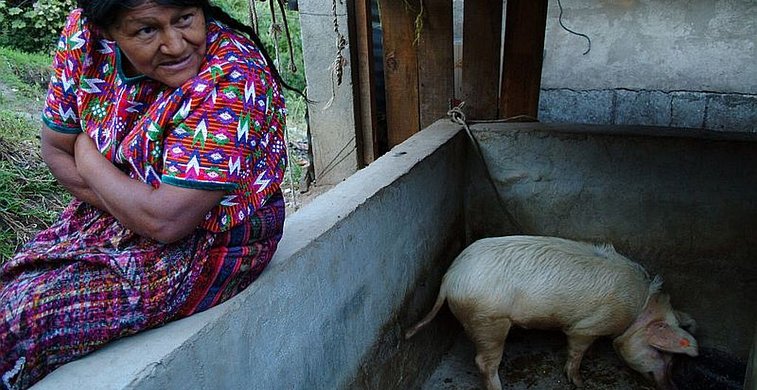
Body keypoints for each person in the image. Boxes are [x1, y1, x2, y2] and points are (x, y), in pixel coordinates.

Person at [0, 1, 292, 388]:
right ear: (108, 31)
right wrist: (132, 205)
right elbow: (55, 150)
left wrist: (88, 159)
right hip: (110, 212)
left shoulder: (232, 74)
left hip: (213, 241)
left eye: (185, 19)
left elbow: (168, 222)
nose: (175, 44)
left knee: (23, 318)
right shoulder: (85, 38)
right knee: (10, 288)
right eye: (146, 31)